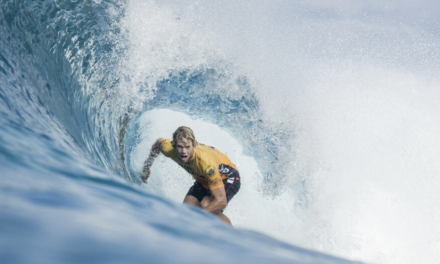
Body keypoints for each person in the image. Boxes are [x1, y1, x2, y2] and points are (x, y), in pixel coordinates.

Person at [142, 126, 241, 226]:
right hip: (204, 179)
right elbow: (158, 144)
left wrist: (200, 215)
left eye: (187, 147)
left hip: (228, 177)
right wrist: (146, 167)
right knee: (187, 210)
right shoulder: (169, 149)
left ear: (193, 145)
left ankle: (231, 235)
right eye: (180, 147)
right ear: (174, 145)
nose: (183, 151)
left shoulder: (206, 163)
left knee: (206, 205)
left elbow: (221, 201)